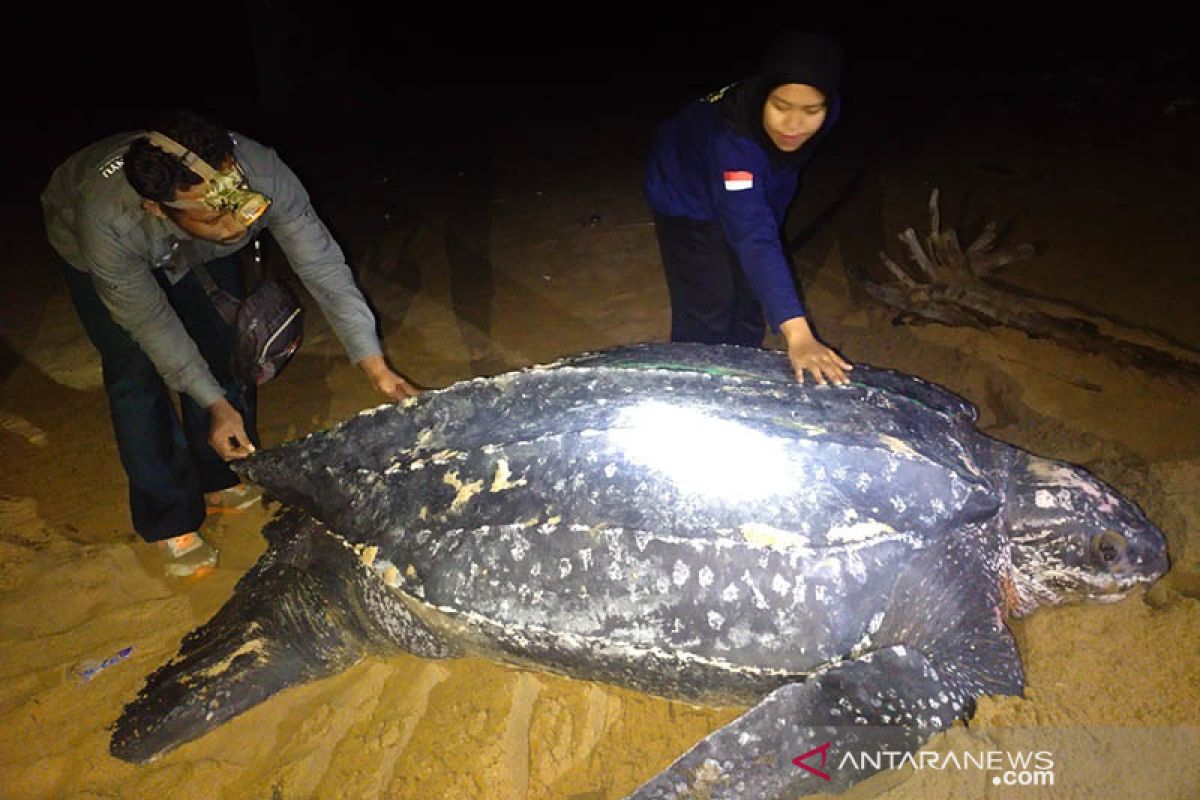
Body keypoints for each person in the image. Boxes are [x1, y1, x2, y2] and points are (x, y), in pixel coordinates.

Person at [40, 109, 419, 577]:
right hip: (88, 237)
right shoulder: (109, 221)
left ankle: (220, 475)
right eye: (217, 213)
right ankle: (168, 516)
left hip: (193, 241)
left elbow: (323, 267)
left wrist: (374, 365)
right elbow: (152, 323)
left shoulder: (259, 172)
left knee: (224, 341)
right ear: (158, 208)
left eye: (239, 202)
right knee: (134, 369)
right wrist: (213, 404)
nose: (237, 224)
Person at [644, 29, 854, 385]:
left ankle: (741, 381)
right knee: (709, 305)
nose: (794, 124)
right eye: (781, 107)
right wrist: (799, 334)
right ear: (762, 98)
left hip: (751, 183)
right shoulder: (731, 140)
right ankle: (692, 390)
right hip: (685, 188)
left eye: (810, 111)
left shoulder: (827, 111)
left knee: (748, 301)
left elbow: (762, 210)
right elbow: (751, 231)